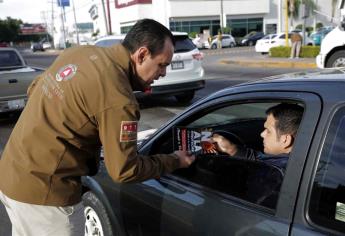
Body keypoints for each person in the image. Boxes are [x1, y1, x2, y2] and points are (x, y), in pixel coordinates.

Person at [0, 19, 195, 235]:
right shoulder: (119, 98)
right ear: (141, 55)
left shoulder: (79, 53)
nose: (164, 74)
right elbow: (124, 170)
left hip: (10, 175)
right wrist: (175, 160)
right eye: (162, 65)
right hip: (46, 198)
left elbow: (34, 88)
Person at [211, 103, 303, 172]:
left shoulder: (276, 172)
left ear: (285, 140)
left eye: (268, 131)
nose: (262, 134)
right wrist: (232, 150)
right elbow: (262, 160)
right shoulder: (302, 160)